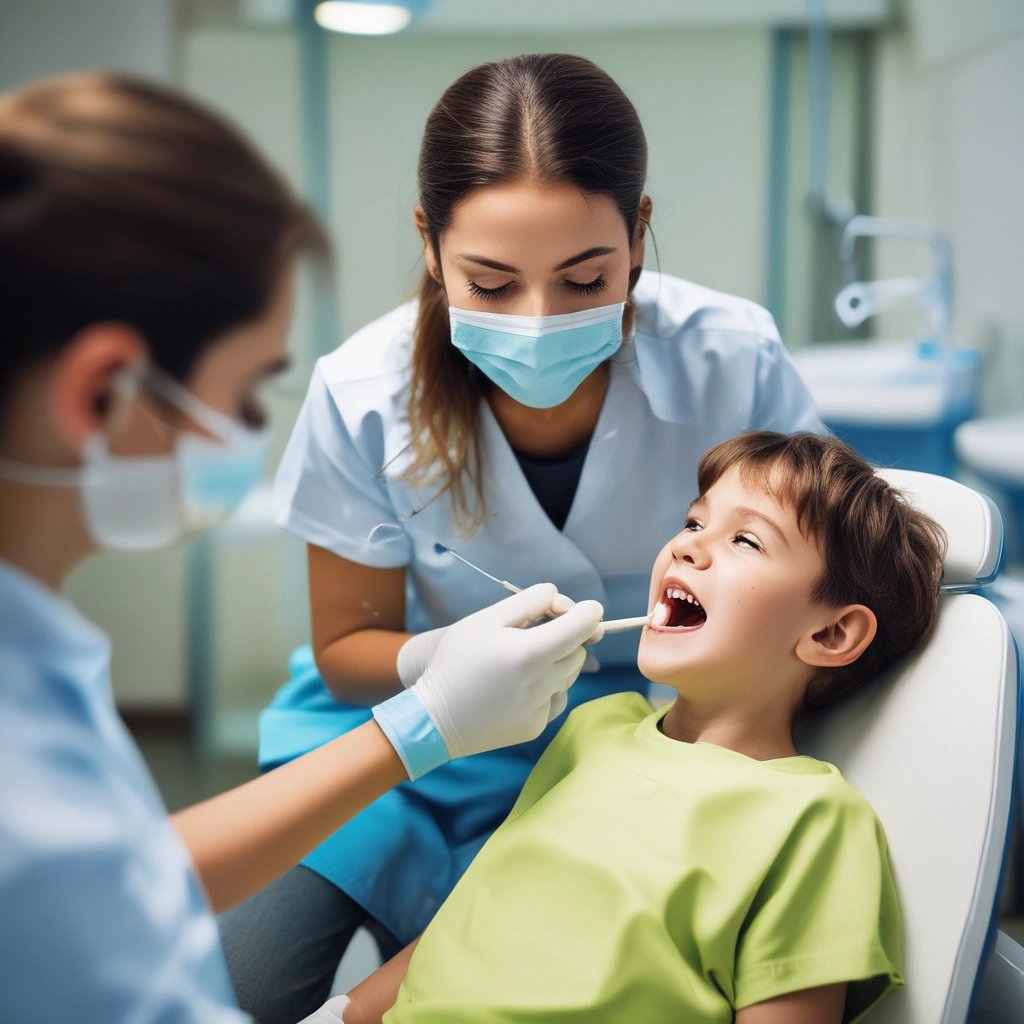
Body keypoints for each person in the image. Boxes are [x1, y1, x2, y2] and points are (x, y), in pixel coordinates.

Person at [224, 52, 827, 1020]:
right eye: (492, 283)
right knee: (231, 987)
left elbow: (825, 565)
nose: (540, 320)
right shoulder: (361, 393)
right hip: (405, 741)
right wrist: (440, 659)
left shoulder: (733, 360)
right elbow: (343, 650)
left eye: (586, 277)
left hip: (641, 745)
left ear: (637, 231)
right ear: (429, 242)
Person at [0, 71, 604, 1024]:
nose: (538, 320)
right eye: (246, 393)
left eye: (582, 278)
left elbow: (122, 879)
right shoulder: (21, 726)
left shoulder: (32, 658)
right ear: (102, 392)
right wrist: (425, 701)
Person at [333, 430, 948, 1024]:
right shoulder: (595, 727)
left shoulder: (813, 820)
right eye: (694, 522)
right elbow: (471, 920)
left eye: (747, 542)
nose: (687, 546)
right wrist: (345, 1012)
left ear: (831, 634)